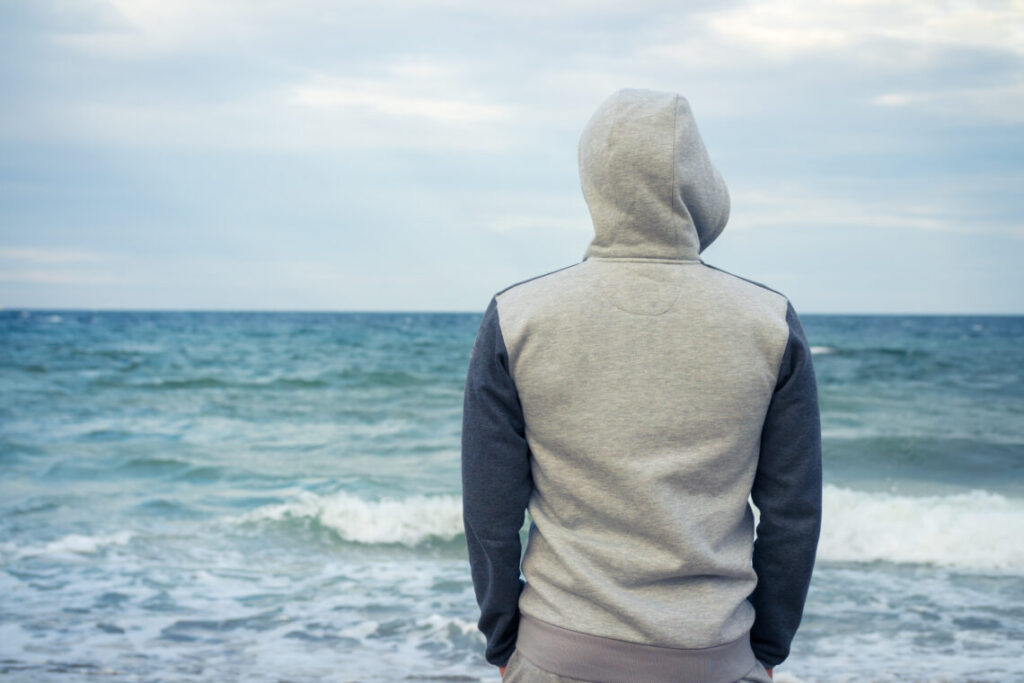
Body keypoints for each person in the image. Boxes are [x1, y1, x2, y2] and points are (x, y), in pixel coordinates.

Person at [461, 87, 822, 683]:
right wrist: (764, 651)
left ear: (593, 178)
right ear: (698, 181)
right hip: (716, 657)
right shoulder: (769, 321)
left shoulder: (517, 316)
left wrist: (503, 642)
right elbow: (793, 515)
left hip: (559, 654)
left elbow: (490, 514)